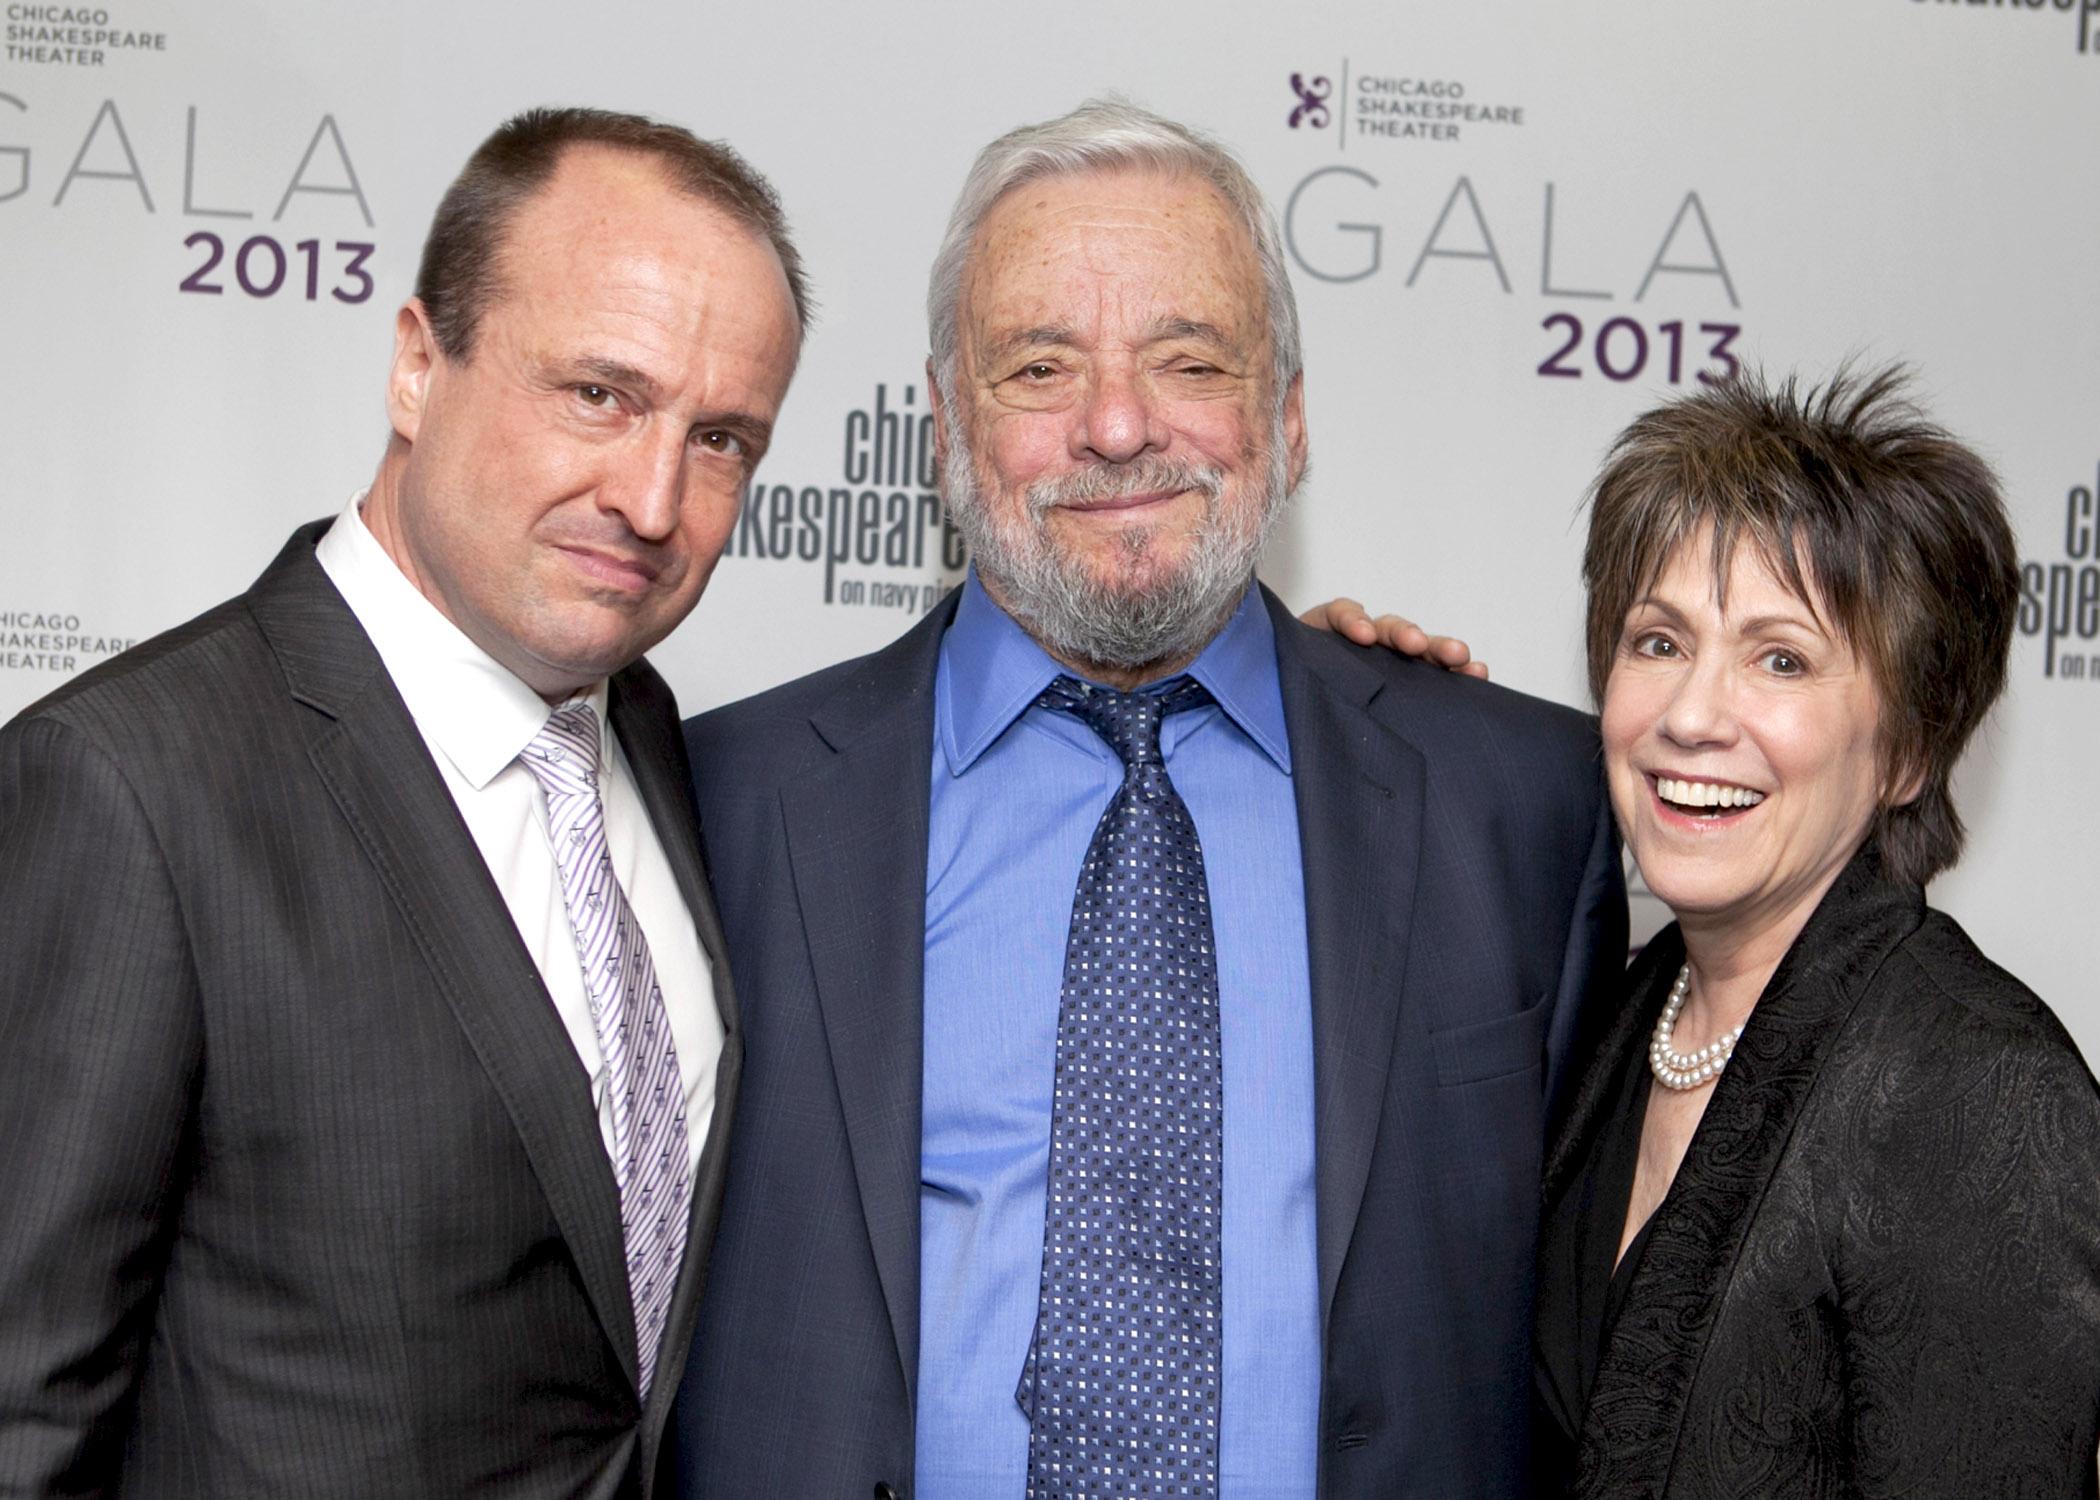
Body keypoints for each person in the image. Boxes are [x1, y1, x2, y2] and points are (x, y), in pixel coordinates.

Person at [672, 98, 1627, 1500]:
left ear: (1287, 418)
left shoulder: (1522, 806)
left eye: (1188, 359)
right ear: (946, 421)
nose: (1117, 427)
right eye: (1040, 367)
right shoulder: (718, 806)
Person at [0, 106, 806, 1496]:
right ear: (419, 366)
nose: (655, 497)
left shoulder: (665, 751)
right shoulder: (133, 785)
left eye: (723, 436)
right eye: (599, 395)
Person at [1532, 368, 2100, 1495]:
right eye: (1657, 641)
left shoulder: (1979, 1092)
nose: (1691, 716)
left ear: (1908, 753)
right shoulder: (1624, 1006)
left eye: (1779, 658)